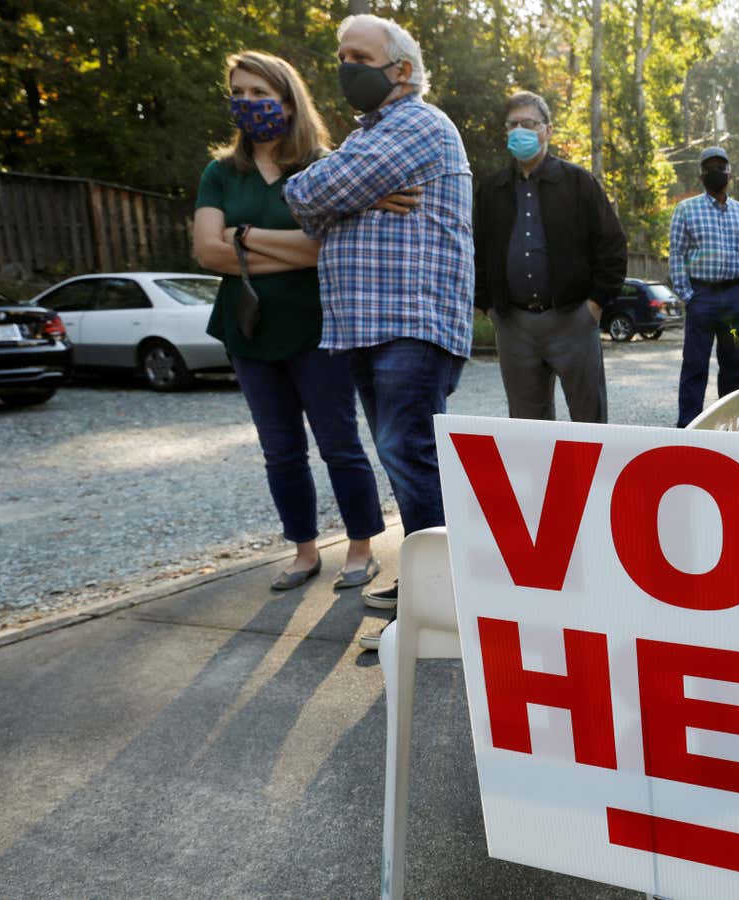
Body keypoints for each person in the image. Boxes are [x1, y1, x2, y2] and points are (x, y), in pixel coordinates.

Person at [283, 14, 474, 649]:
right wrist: (360, 196)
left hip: (408, 321)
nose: (345, 67)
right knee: (406, 456)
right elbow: (316, 202)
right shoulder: (375, 137)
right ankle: (431, 584)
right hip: (373, 322)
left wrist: (344, 195)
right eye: (340, 55)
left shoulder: (417, 123)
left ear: (400, 70)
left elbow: (312, 189)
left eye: (358, 55)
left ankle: (441, 605)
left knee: (409, 454)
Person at [193, 51, 385, 593]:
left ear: (287, 99)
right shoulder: (220, 173)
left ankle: (361, 546)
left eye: (260, 93)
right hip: (248, 330)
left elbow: (322, 250)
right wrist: (286, 249)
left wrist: (245, 238)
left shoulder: (321, 165)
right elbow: (208, 252)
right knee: (279, 449)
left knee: (338, 442)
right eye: (239, 93)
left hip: (318, 327)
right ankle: (303, 551)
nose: (248, 103)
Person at [474, 90, 627, 422]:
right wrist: (490, 306)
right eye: (512, 124)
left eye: (528, 123)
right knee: (528, 425)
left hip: (573, 320)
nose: (520, 131)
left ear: (548, 130)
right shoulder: (492, 189)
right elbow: (477, 250)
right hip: (514, 326)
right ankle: (536, 477)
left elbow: (613, 246)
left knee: (589, 421)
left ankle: (591, 476)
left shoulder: (578, 183)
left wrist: (595, 306)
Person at [669, 146, 739, 427]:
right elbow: (677, 256)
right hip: (703, 301)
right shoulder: (686, 210)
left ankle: (730, 426)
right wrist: (689, 296)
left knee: (734, 364)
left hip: (733, 306)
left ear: (730, 173)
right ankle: (688, 428)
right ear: (701, 174)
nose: (715, 172)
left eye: (720, 167)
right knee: (695, 365)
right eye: (709, 167)